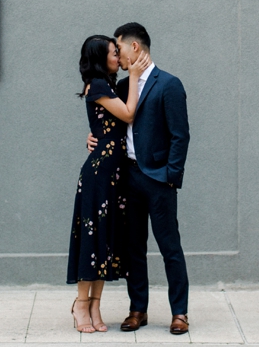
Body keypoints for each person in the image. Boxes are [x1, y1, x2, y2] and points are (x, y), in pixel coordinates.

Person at [87, 22, 191, 335]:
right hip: (127, 178)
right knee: (134, 248)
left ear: (135, 48)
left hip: (159, 180)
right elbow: (110, 121)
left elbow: (180, 136)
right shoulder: (120, 87)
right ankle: (138, 310)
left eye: (118, 49)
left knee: (169, 246)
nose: (116, 56)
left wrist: (171, 177)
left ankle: (180, 313)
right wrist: (92, 139)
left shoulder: (169, 84)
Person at [67, 35, 150, 333]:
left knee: (106, 240)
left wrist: (95, 137)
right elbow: (128, 114)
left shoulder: (110, 85)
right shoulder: (100, 85)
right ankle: (80, 303)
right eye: (114, 53)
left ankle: (96, 305)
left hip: (114, 175)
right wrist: (136, 75)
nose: (119, 57)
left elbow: (106, 126)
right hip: (100, 175)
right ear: (101, 59)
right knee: (93, 238)